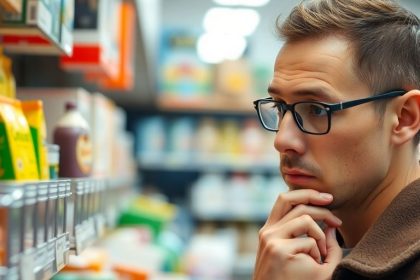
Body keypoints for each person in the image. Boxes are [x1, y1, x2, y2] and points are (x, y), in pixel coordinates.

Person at [252, 0, 420, 279]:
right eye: (281, 107)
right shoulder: (299, 252)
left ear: (404, 118)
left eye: (317, 110)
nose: (282, 140)